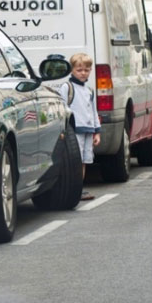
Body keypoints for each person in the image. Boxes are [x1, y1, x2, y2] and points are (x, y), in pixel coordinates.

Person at [55, 52, 101, 202]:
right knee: (75, 160)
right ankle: (74, 188)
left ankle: (79, 187)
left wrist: (97, 131)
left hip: (88, 130)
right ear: (72, 70)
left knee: (84, 160)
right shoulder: (67, 87)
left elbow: (93, 112)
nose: (83, 73)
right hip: (74, 131)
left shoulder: (89, 91)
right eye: (79, 70)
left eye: (86, 70)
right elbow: (61, 108)